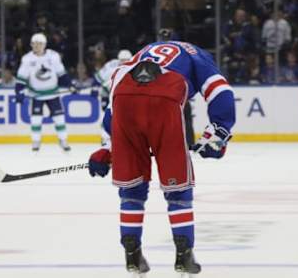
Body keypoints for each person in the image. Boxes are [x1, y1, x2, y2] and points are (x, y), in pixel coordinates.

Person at [87, 40, 236, 277]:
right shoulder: (200, 56)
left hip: (124, 96)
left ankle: (132, 254)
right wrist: (217, 135)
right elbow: (221, 91)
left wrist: (107, 147)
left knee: (132, 188)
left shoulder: (143, 52)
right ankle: (184, 256)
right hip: (165, 99)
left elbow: (115, 97)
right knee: (177, 189)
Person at [15, 33, 76, 152]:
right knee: (36, 119)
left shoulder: (53, 56)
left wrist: (70, 85)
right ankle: (36, 142)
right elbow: (21, 79)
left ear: (44, 45)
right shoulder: (27, 59)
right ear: (31, 44)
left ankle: (63, 140)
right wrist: (19, 92)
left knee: (59, 118)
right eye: (35, 43)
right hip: (36, 95)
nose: (37, 46)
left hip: (53, 93)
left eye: (40, 43)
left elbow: (61, 74)